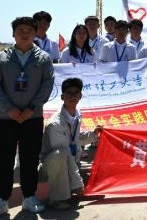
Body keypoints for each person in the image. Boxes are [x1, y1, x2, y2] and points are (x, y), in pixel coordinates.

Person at [0, 16, 54, 219]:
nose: (24, 34)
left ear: (35, 33)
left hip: (32, 117)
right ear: (13, 33)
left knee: (30, 158)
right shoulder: (2, 58)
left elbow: (47, 84)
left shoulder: (43, 58)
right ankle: (1, 200)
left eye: (29, 30)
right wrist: (8, 108)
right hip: (6, 118)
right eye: (20, 30)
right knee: (2, 159)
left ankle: (29, 197)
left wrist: (32, 108)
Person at [39, 78, 102, 210]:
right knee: (60, 154)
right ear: (62, 97)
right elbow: (65, 152)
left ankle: (69, 185)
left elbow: (75, 138)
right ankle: (56, 199)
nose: (73, 96)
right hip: (49, 166)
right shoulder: (55, 123)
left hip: (70, 161)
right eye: (69, 93)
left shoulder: (77, 114)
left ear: (80, 96)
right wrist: (78, 183)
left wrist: (93, 134)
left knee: (95, 184)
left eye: (76, 93)